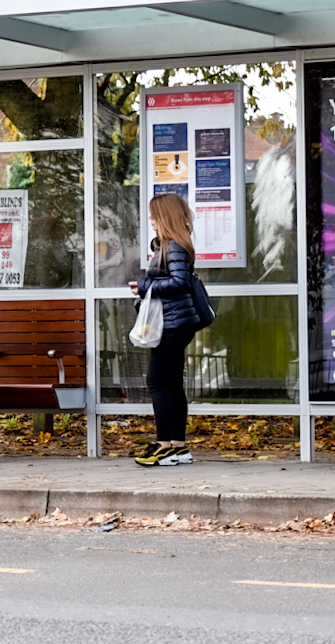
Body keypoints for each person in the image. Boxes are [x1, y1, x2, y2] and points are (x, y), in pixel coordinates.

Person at [129, 192, 201, 467]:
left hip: (172, 324)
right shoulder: (170, 245)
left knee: (156, 382)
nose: (151, 219)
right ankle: (179, 446)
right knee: (171, 384)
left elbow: (179, 282)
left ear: (165, 217)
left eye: (155, 214)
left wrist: (144, 286)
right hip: (176, 323)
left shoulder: (174, 247)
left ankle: (164, 446)